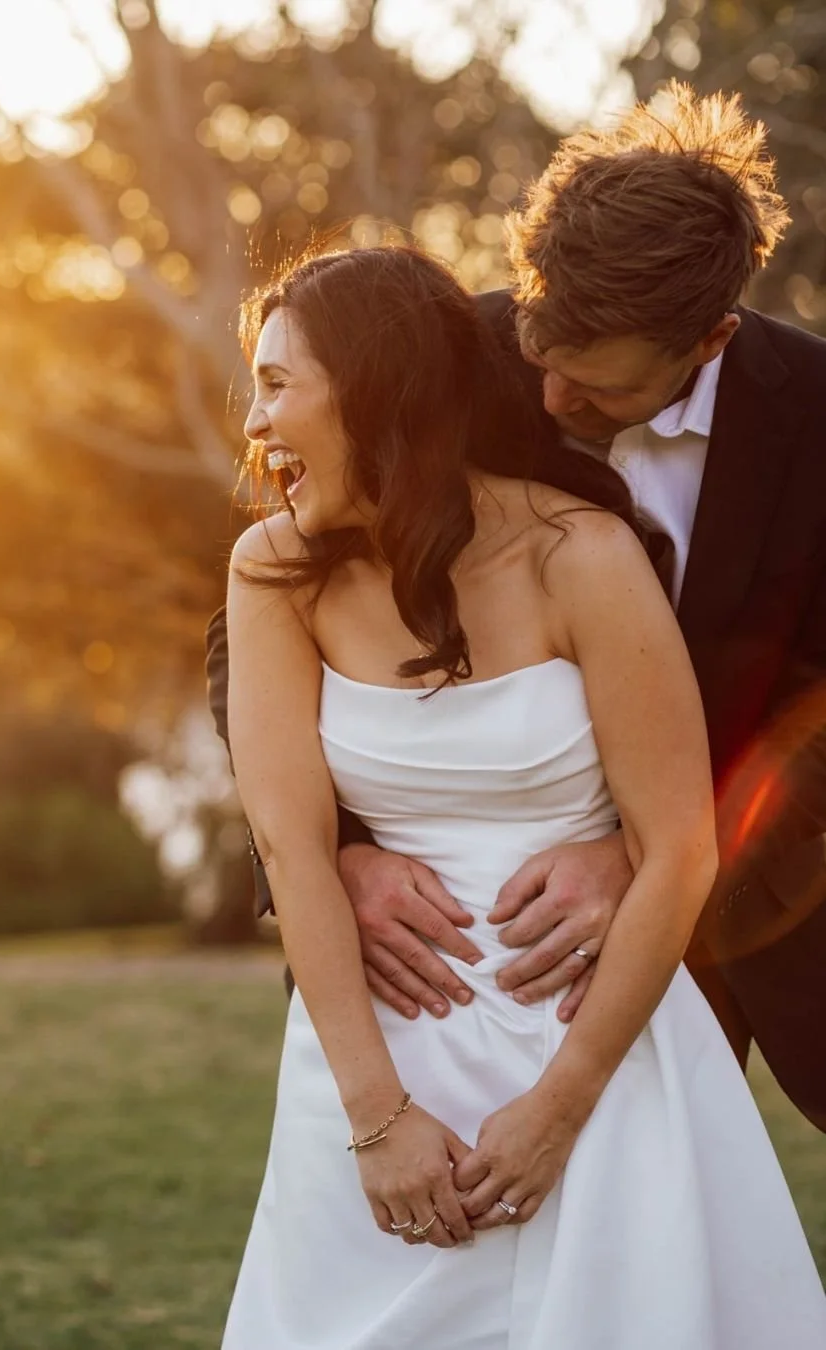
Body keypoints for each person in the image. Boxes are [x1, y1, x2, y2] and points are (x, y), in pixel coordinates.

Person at [219, 241, 825, 1348]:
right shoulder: (272, 569)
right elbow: (291, 845)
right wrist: (375, 1117)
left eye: (275, 385)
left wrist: (560, 1106)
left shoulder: (583, 554)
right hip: (370, 1050)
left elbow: (681, 845)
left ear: (373, 389)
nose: (255, 428)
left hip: (597, 1042)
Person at [206, 84, 826, 1130]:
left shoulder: (815, 419)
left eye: (599, 393)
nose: (549, 405)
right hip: (460, 957)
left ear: (710, 339)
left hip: (776, 907)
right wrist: (333, 849)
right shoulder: (455, 359)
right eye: (544, 354)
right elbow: (265, 613)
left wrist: (654, 847)